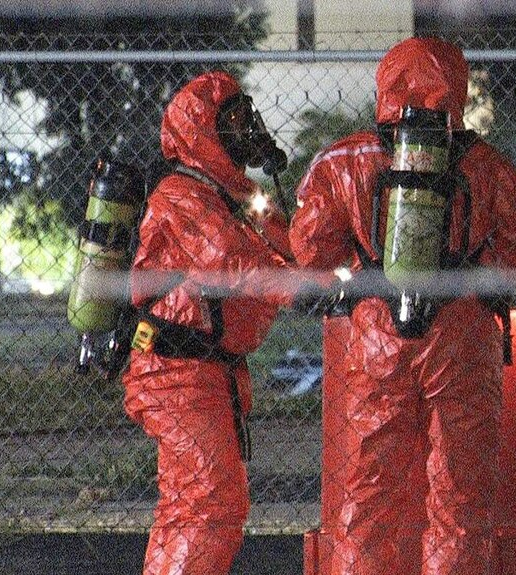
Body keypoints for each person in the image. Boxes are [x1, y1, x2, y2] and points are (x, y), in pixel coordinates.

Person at [289, 37, 516, 575]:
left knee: (368, 496)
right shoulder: (486, 166)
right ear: (457, 87)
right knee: (458, 497)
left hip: (375, 337)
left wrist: (357, 270)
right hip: (461, 335)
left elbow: (311, 247)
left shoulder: (346, 159)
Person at [121, 70, 295, 575]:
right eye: (233, 120)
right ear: (204, 130)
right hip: (175, 370)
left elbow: (289, 247)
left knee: (194, 505)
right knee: (207, 502)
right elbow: (232, 261)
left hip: (207, 374)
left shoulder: (236, 197)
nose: (246, 129)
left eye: (247, 117)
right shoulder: (182, 195)